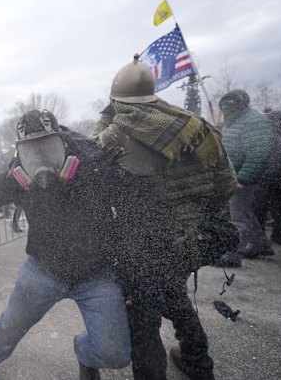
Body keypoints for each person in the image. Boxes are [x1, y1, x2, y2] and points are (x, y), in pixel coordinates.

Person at [0, 109, 176, 380]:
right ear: (21, 152)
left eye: (47, 146)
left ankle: (84, 352)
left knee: (115, 354)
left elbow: (136, 198)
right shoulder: (17, 176)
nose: (41, 159)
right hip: (43, 270)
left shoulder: (94, 164)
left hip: (96, 276)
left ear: (63, 141)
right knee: (8, 328)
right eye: (32, 151)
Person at [92, 54, 237, 380]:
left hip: (148, 245)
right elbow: (226, 184)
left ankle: (162, 372)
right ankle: (199, 366)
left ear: (117, 99)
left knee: (144, 319)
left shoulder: (119, 135)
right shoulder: (194, 125)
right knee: (175, 297)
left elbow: (96, 183)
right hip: (195, 240)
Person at [218, 89, 273, 265]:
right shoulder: (232, 122)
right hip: (233, 174)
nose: (226, 109)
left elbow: (258, 153)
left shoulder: (254, 121)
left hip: (244, 177)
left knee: (239, 218)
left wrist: (243, 178)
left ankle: (233, 256)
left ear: (240, 104)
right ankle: (260, 244)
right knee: (245, 212)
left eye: (230, 106)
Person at [253, 110, 281, 246]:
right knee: (263, 208)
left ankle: (269, 236)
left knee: (274, 208)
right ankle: (263, 238)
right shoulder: (264, 136)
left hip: (276, 178)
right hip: (268, 177)